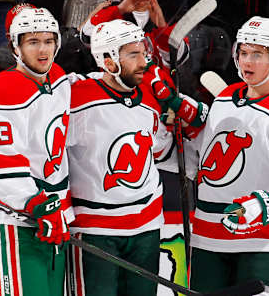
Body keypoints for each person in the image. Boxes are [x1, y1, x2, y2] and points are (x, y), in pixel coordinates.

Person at [186, 16, 269, 295]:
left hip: (263, 240)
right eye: (244, 52)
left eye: (258, 54)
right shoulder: (224, 99)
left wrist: (262, 205)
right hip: (207, 238)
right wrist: (177, 131)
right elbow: (199, 165)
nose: (248, 62)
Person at [66, 19, 199, 296]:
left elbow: (160, 153)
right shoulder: (76, 98)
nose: (144, 62)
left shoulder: (151, 97)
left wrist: (184, 132)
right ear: (109, 60)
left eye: (144, 52)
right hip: (96, 230)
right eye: (133, 54)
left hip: (146, 226)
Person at [0, 7, 72, 296]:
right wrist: (37, 203)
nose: (43, 50)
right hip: (12, 221)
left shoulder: (59, 79)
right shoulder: (2, 89)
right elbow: (3, 162)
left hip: (49, 220)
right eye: (33, 42)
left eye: (48, 41)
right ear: (16, 46)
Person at [80, 0, 189, 69]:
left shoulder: (171, 15)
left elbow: (178, 59)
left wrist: (162, 27)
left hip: (155, 84)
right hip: (117, 83)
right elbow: (86, 38)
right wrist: (119, 10)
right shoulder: (110, 10)